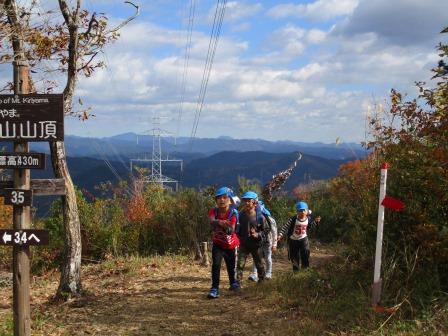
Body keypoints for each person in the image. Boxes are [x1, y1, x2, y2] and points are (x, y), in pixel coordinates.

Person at [207, 186, 240, 299]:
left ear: (230, 200)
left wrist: (219, 223)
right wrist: (221, 222)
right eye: (219, 198)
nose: (222, 200)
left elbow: (232, 229)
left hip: (231, 244)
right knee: (215, 265)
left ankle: (233, 283)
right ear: (216, 200)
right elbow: (211, 222)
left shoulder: (233, 212)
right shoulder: (213, 211)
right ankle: (214, 288)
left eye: (225, 197)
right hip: (218, 244)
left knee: (231, 266)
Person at [236, 191, 270, 284]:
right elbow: (237, 228)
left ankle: (261, 281)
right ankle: (238, 282)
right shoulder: (240, 215)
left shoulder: (260, 217)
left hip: (256, 244)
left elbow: (266, 229)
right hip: (244, 244)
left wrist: (258, 234)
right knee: (240, 263)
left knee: (259, 263)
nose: (246, 203)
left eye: (248, 201)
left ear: (254, 202)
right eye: (245, 201)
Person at [277, 201, 321, 272]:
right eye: (300, 211)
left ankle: (305, 270)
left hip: (303, 239)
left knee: (305, 254)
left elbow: (310, 226)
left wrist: (316, 222)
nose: (302, 212)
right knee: (294, 257)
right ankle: (296, 272)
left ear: (306, 211)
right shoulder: (293, 219)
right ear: (297, 212)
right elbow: (285, 227)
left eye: (304, 210)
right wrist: (280, 235)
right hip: (293, 240)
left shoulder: (308, 219)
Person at [248, 200, 277, 281]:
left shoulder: (270, 219)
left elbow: (274, 232)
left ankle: (269, 273)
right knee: (256, 258)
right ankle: (254, 274)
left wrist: (275, 244)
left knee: (268, 258)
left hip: (267, 241)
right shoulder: (253, 217)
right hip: (257, 241)